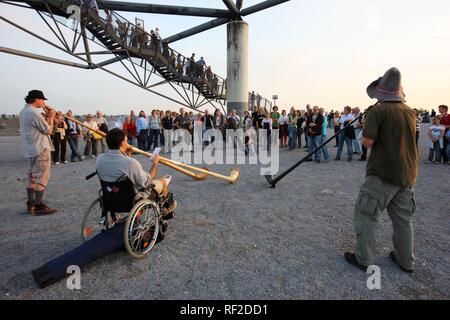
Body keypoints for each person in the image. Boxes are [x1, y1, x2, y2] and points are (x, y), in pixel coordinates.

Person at [31, 128, 176, 288]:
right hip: (132, 201)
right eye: (126, 141)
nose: (128, 143)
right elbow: (146, 182)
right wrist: (154, 163)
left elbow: (120, 169)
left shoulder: (100, 159)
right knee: (162, 181)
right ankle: (166, 210)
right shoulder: (131, 163)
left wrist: (124, 153)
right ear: (122, 143)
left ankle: (158, 211)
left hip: (110, 199)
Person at [345, 67, 418, 274]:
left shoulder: (378, 111)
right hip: (407, 174)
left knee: (366, 215)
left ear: (381, 92)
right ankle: (406, 261)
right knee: (403, 220)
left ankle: (364, 258)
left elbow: (367, 142)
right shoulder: (409, 111)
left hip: (383, 173)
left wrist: (366, 124)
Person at [19, 90, 57, 215]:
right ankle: (39, 205)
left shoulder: (24, 111)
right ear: (36, 99)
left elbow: (37, 126)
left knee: (31, 177)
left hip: (30, 148)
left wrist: (46, 115)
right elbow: (48, 130)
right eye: (42, 100)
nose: (44, 102)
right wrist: (51, 117)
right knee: (41, 177)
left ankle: (31, 204)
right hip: (40, 148)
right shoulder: (34, 112)